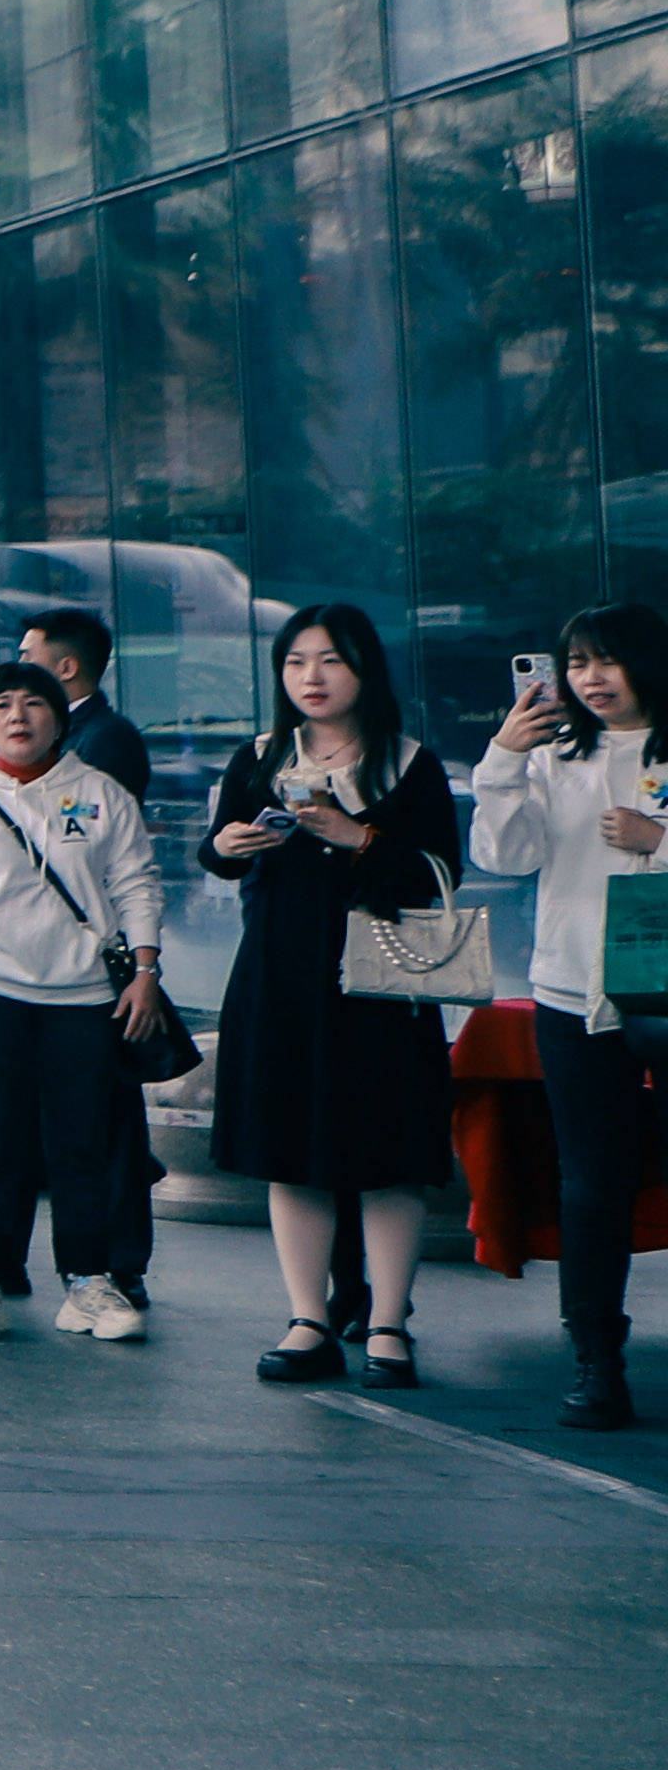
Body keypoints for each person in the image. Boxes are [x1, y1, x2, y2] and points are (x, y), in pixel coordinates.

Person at [208, 604, 465, 1393]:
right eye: (296, 663)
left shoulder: (407, 763)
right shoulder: (258, 757)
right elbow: (219, 852)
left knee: (389, 1156)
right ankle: (307, 1316)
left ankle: (388, 1320)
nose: (311, 678)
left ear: (364, 671)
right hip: (280, 979)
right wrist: (225, 845)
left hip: (381, 985)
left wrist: (356, 837)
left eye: (330, 661)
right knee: (294, 1153)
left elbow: (441, 875)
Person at [0, 659, 175, 1345]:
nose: (17, 716)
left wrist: (146, 970)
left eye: (32, 704)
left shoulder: (100, 793)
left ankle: (88, 1282)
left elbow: (137, 884)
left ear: (59, 718)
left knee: (82, 1145)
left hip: (86, 998)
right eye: (1, 706)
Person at [476, 605, 668, 1428]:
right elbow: (504, 856)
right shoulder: (554, 754)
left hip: (664, 987)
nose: (591, 678)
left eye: (608, 661)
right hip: (573, 993)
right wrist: (503, 761)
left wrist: (657, 838)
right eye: (577, 662)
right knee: (593, 1183)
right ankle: (596, 1357)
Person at [0, 605, 163, 801]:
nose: (21, 668)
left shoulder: (109, 737)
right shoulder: (55, 727)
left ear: (67, 668)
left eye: (27, 656)